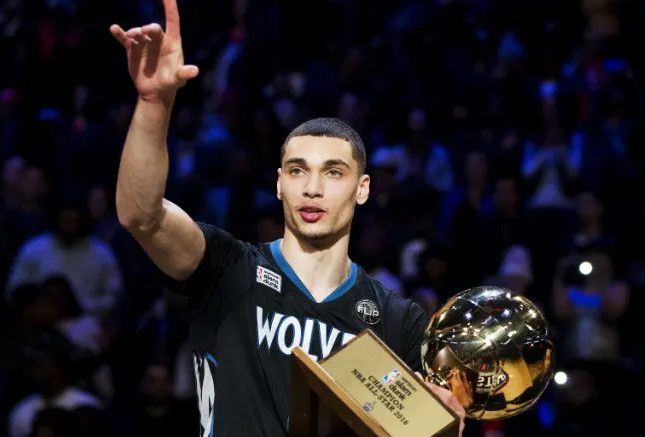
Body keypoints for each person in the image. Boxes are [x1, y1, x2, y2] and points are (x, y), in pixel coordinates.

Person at [109, 1, 467, 436]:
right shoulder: (228, 267)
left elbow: (424, 424)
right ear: (279, 184)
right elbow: (141, 216)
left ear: (363, 188)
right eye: (298, 170)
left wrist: (441, 419)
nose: (312, 188)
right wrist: (153, 104)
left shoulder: (400, 322)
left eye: (333, 172)